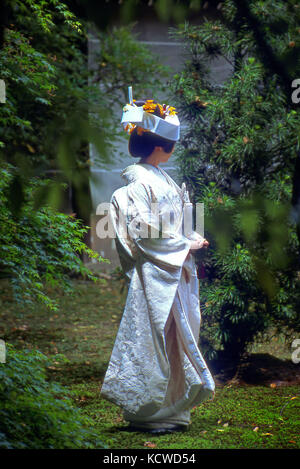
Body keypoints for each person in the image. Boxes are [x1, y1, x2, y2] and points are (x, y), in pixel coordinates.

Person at [100, 89, 215, 434]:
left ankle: (173, 407)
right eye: (171, 142)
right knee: (158, 337)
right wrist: (184, 244)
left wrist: (193, 237)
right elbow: (142, 230)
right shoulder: (137, 183)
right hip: (156, 271)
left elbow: (180, 218)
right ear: (159, 145)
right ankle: (151, 411)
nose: (173, 148)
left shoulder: (163, 177)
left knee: (180, 333)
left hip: (175, 266)